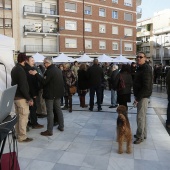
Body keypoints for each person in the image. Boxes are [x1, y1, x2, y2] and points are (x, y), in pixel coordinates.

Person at [29, 57, 64, 136]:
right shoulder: (58, 70)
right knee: (58, 110)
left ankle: (49, 130)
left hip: (50, 95)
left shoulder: (49, 71)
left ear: (48, 63)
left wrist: (36, 74)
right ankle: (61, 126)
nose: (44, 65)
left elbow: (44, 82)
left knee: (50, 112)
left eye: (44, 63)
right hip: (57, 94)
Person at [11, 53, 33, 142]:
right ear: (24, 60)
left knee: (18, 118)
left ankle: (17, 134)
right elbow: (23, 86)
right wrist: (29, 98)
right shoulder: (21, 70)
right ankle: (22, 137)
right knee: (23, 118)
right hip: (21, 98)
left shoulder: (14, 69)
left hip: (15, 97)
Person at [133, 52, 153, 144]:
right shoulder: (140, 68)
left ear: (145, 58)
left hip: (143, 96)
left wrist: (138, 98)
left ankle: (140, 136)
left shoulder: (146, 69)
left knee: (140, 117)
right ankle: (143, 134)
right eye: (137, 57)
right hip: (141, 95)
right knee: (142, 116)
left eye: (141, 57)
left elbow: (146, 86)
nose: (138, 58)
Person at [24, 56, 44, 129]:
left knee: (31, 108)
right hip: (31, 93)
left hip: (30, 92)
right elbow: (31, 83)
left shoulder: (29, 69)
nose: (34, 62)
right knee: (33, 108)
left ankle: (30, 122)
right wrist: (34, 94)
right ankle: (34, 123)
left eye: (34, 60)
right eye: (32, 60)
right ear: (27, 61)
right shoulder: (29, 70)